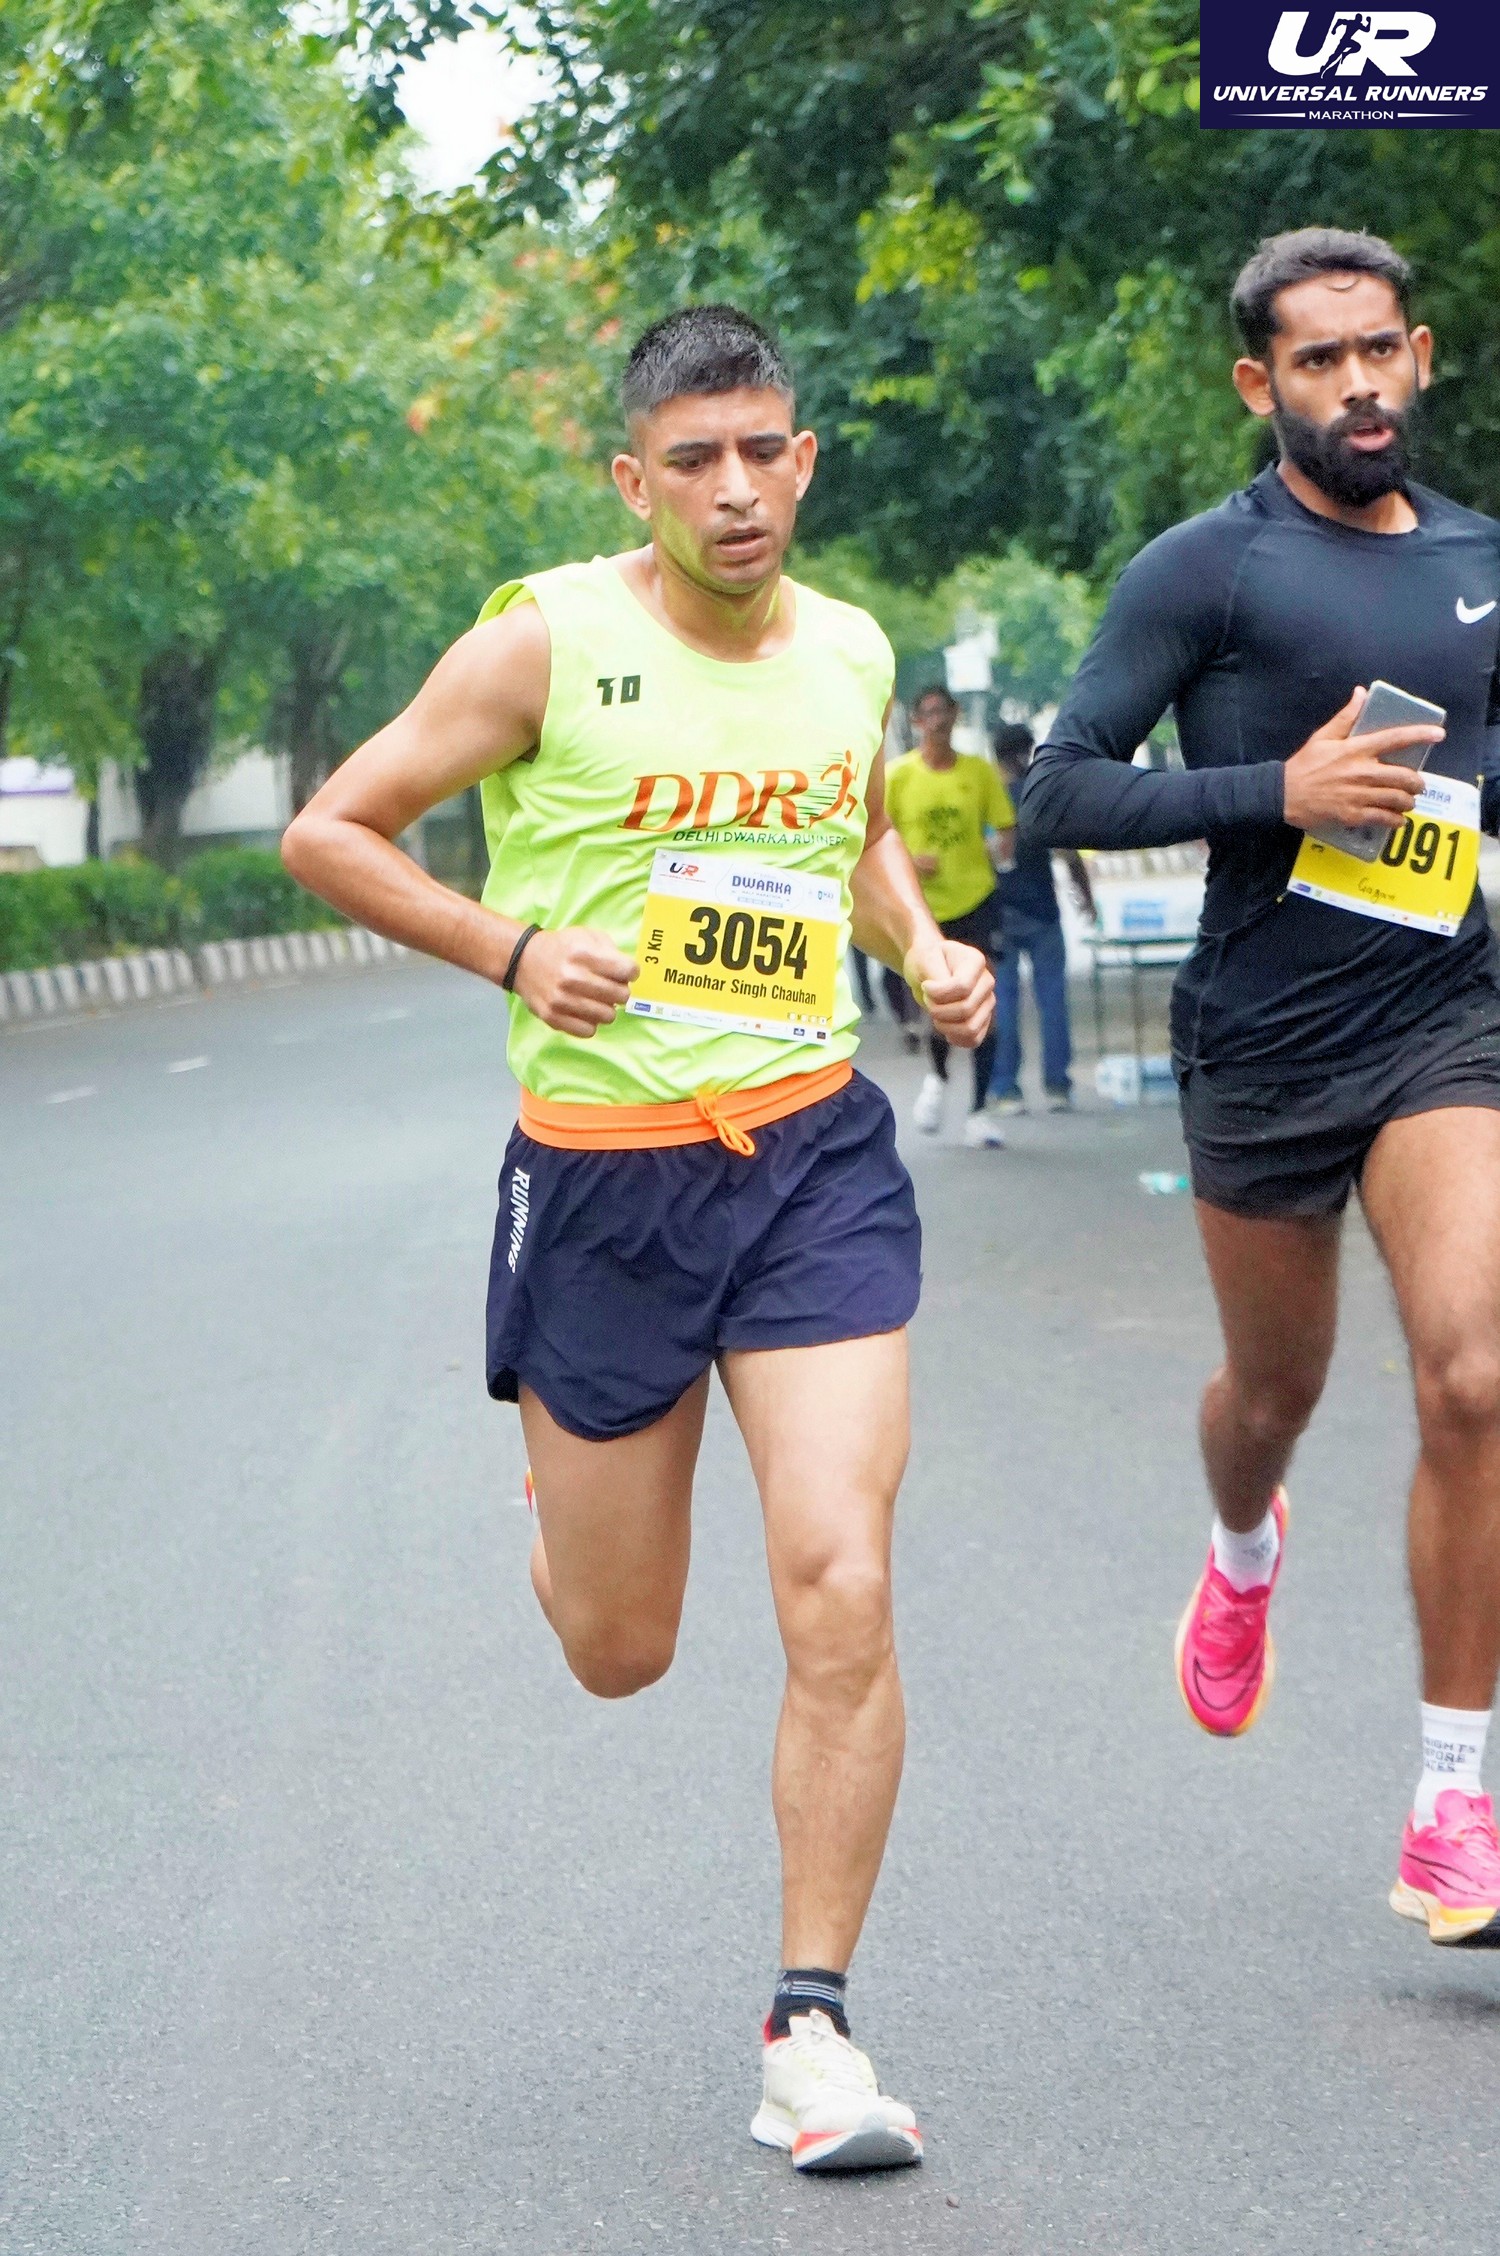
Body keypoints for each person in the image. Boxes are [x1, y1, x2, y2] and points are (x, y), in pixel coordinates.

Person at [282, 304, 994, 2165]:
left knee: (841, 1579)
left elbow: (847, 825)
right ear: (634, 479)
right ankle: (568, 1505)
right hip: (606, 1181)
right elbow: (333, 832)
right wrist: (513, 949)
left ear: (803, 460)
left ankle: (811, 2029)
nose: (735, 489)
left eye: (763, 451)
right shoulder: (544, 641)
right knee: (621, 1647)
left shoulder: (850, 648)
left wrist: (921, 945)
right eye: (694, 461)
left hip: (813, 1157)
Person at [1023, 227, 1500, 1946]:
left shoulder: (1482, 559)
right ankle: (1241, 1548)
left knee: (1476, 1374)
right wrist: (1274, 793)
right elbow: (1059, 790)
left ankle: (1456, 1799)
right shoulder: (1205, 572)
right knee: (1271, 1392)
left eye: (1378, 351)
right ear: (1260, 383)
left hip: (1446, 1017)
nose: (1357, 386)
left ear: (1420, 354)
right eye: (1318, 361)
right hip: (1265, 1040)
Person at [884, 685, 1012, 1145]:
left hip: (976, 899)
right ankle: (938, 1076)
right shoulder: (899, 776)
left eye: (945, 712)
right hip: (925, 909)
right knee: (941, 1004)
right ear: (917, 722)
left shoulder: (978, 772)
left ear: (956, 716)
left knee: (982, 1002)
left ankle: (979, 1110)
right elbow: (877, 838)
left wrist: (1000, 849)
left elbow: (1005, 828)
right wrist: (909, 861)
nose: (938, 721)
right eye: (929, 713)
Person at [989, 721, 1094, 1113]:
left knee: (1004, 1001)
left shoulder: (990, 797)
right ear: (1026, 752)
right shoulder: (1039, 797)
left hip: (999, 911)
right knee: (1052, 1000)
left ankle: (1006, 1087)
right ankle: (1057, 1085)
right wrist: (1086, 898)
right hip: (1043, 911)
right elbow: (1068, 853)